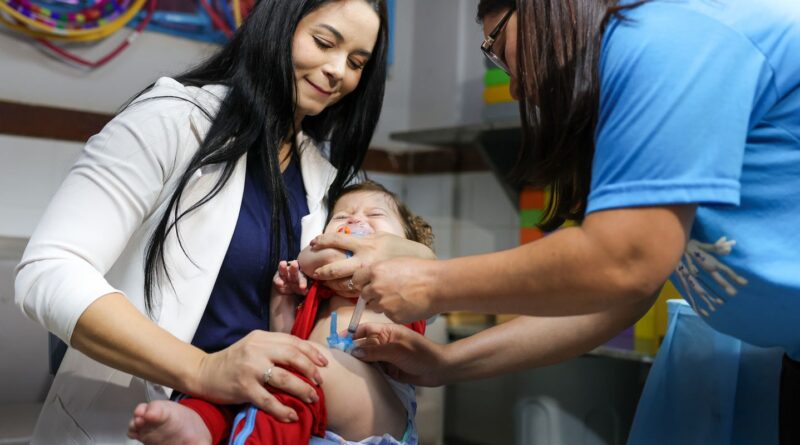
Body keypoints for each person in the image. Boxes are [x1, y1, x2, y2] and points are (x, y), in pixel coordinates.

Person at [308, 0, 800, 443]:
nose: (515, 84)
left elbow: (624, 263)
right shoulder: (640, 70)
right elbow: (619, 296)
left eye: (497, 46)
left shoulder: (666, 35)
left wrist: (434, 281)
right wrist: (445, 363)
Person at [14, 0, 431, 443]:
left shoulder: (328, 181)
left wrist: (416, 254)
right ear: (277, 24)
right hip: (134, 420)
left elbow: (401, 263)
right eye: (324, 42)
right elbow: (49, 269)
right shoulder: (173, 119)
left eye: (356, 62)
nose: (337, 71)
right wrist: (203, 369)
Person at [126, 180, 434, 445]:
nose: (355, 220)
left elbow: (432, 276)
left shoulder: (404, 284)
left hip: (376, 406)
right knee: (245, 372)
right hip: (310, 417)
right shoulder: (317, 294)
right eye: (342, 216)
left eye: (375, 215)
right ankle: (197, 422)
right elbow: (284, 337)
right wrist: (283, 298)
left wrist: (400, 255)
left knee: (297, 370)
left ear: (409, 243)